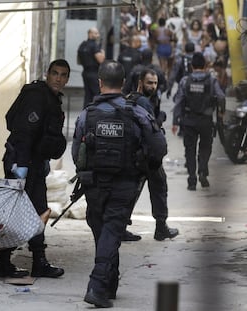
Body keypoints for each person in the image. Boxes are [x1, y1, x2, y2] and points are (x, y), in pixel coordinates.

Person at [72, 60, 167, 307]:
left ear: (99, 82)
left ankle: (108, 284)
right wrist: (145, 167)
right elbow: (159, 147)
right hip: (125, 183)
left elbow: (75, 152)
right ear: (124, 84)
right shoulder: (136, 112)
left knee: (104, 232)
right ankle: (96, 286)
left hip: (94, 184)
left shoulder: (87, 114)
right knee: (111, 232)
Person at [0, 59, 70, 279]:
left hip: (33, 163)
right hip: (24, 163)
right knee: (32, 212)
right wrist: (21, 167)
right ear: (48, 74)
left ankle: (20, 261)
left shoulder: (50, 98)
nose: (58, 78)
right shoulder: (38, 96)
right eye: (55, 73)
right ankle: (18, 262)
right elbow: (24, 132)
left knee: (37, 211)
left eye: (63, 75)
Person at [127, 68, 179, 241]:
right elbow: (150, 129)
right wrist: (161, 118)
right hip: (146, 155)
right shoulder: (143, 102)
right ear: (140, 82)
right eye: (150, 82)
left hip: (140, 154)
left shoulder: (135, 99)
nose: (153, 86)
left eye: (155, 83)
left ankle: (121, 227)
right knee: (158, 188)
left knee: (134, 190)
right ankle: (161, 227)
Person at [172, 52, 226, 190]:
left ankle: (191, 180)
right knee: (205, 147)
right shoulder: (212, 80)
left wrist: (175, 121)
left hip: (188, 120)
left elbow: (179, 101)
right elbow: (220, 96)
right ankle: (202, 170)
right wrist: (221, 112)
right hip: (206, 121)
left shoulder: (185, 80)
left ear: (191, 66)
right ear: (206, 65)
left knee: (189, 150)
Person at [77, 28, 105, 108]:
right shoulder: (94, 45)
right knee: (96, 94)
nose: (98, 35)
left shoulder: (82, 44)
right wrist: (102, 52)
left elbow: (78, 61)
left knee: (88, 95)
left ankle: (86, 113)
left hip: (85, 72)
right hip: (94, 73)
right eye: (96, 33)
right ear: (90, 34)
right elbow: (101, 60)